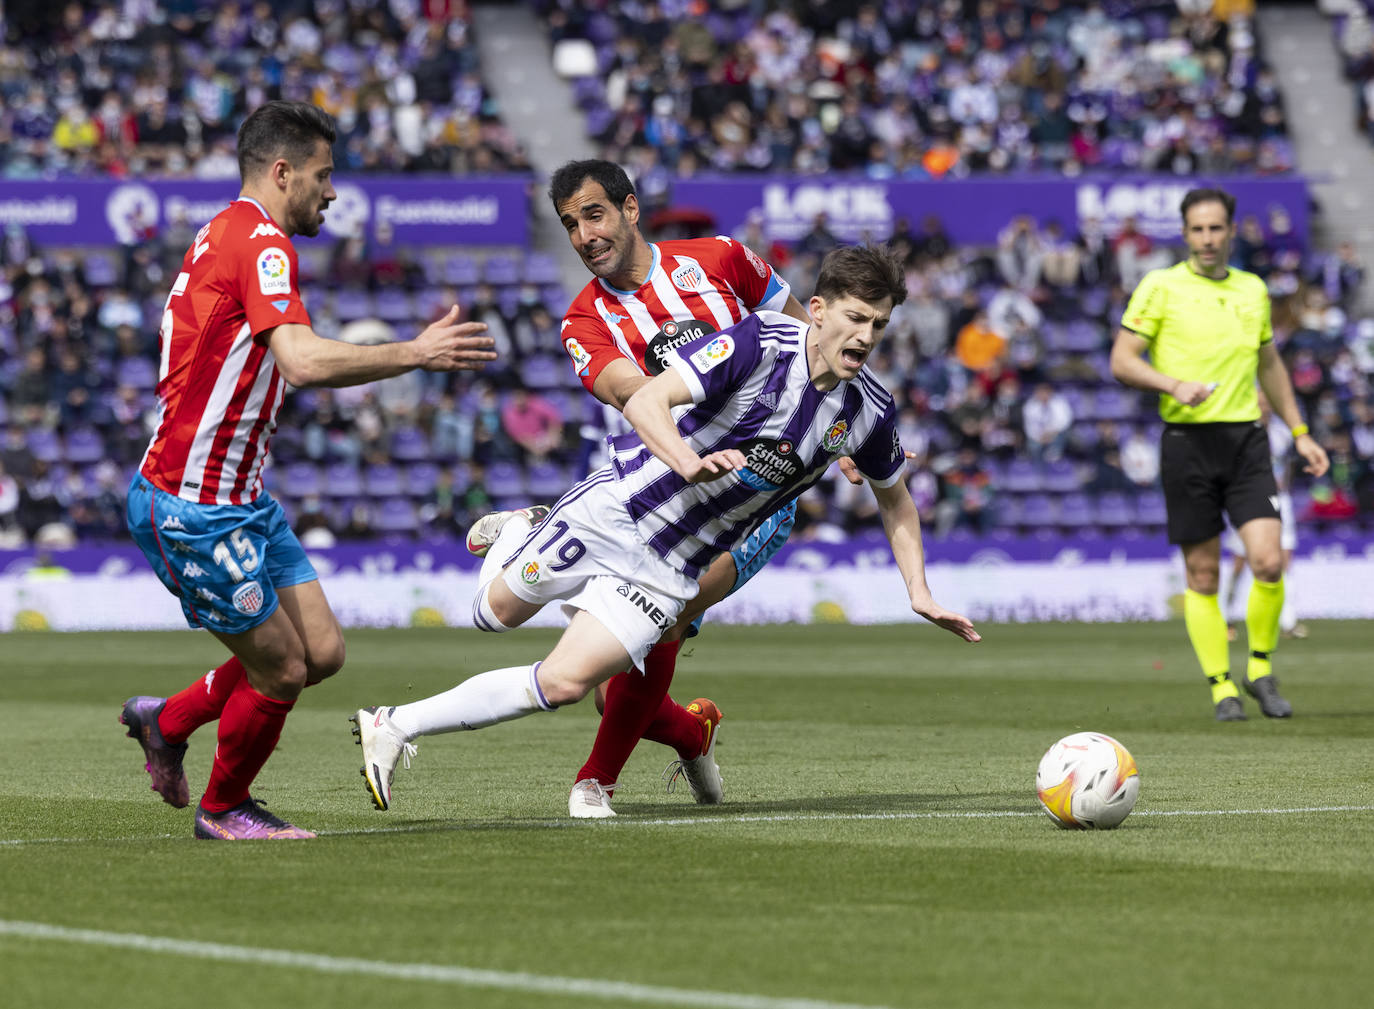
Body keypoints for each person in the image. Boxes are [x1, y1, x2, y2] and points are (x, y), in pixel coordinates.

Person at [351, 245, 979, 814]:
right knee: (492, 615)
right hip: (618, 511)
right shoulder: (759, 340)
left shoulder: (868, 410)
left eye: (879, 324)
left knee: (568, 684)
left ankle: (394, 725)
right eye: (855, 318)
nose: (866, 336)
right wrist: (686, 461)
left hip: (671, 567)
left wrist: (918, 592)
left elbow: (895, 501)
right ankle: (521, 530)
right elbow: (648, 399)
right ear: (817, 310)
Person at [117, 101, 496, 840]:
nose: (331, 192)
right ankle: (225, 809)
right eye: (323, 176)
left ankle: (166, 720)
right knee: (282, 670)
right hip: (191, 503)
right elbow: (301, 359)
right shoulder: (260, 243)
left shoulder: (223, 230)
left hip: (240, 495)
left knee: (320, 651)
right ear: (282, 171)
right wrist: (413, 352)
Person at [472, 158, 813, 820]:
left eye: (594, 215)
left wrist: (837, 417)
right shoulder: (583, 321)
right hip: (664, 493)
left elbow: (803, 331)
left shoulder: (720, 261)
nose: (583, 235)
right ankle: (692, 733)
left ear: (630, 210)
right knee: (612, 694)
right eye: (570, 224)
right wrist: (684, 452)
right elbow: (632, 392)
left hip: (756, 487)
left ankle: (594, 782)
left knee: (674, 606)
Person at [1110, 187, 1329, 722]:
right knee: (1203, 578)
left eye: (1216, 228)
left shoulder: (1253, 290)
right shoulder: (1160, 287)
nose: (1207, 238)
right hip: (1187, 445)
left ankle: (1259, 669)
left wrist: (1300, 430)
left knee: (1269, 562)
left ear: (1231, 231)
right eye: (1197, 229)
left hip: (1246, 442)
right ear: (1185, 234)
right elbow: (1121, 360)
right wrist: (1171, 384)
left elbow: (1270, 365)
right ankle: (1220, 687)